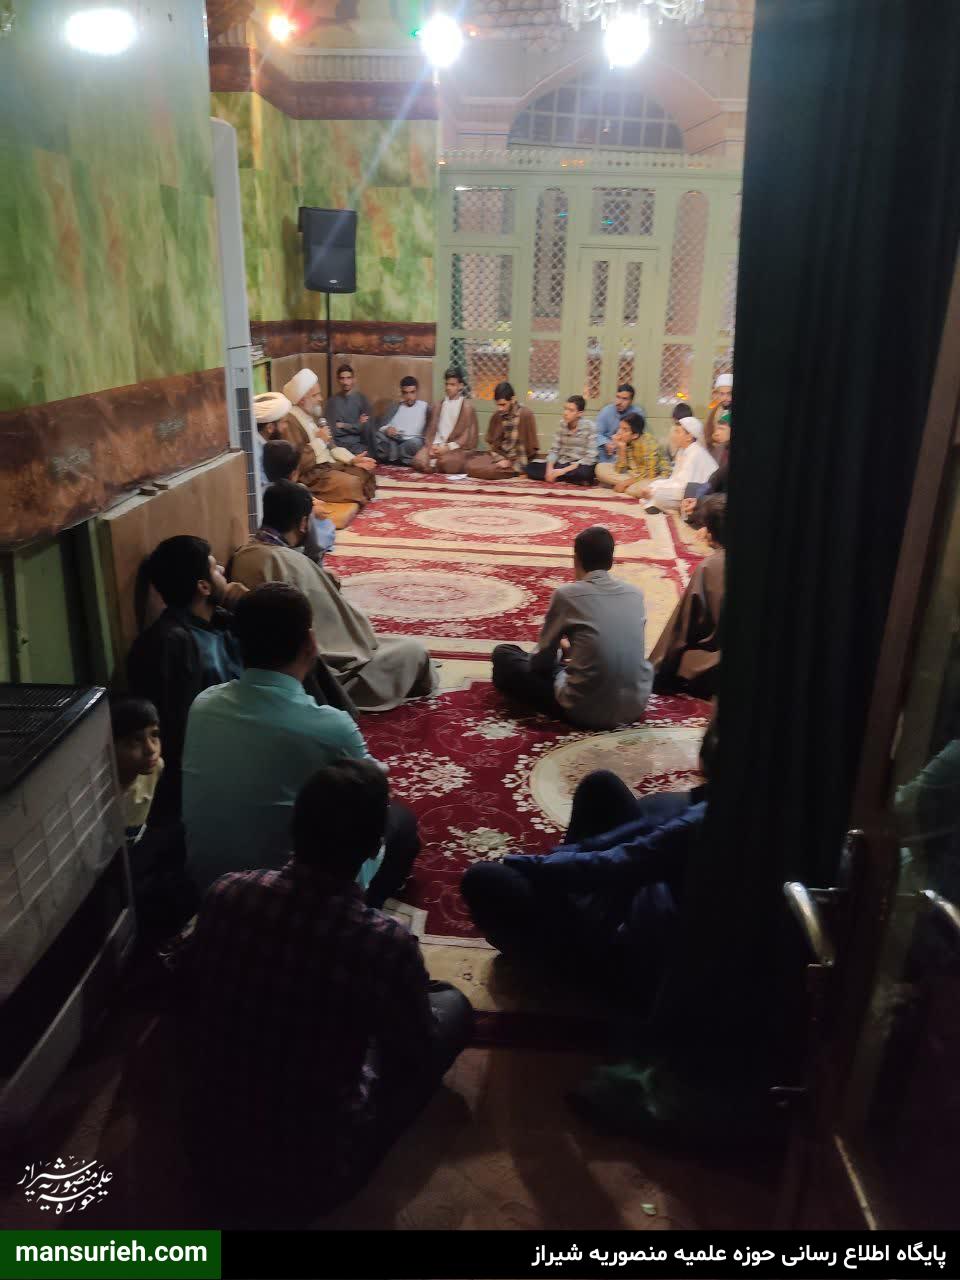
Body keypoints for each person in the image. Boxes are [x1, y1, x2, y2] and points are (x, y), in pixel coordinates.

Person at [180, 757, 473, 1221]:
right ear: (374, 847)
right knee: (453, 1007)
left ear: (294, 826)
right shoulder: (384, 942)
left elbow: (188, 981)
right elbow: (414, 1050)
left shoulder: (227, 893)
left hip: (205, 1150)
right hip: (314, 1177)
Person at [181, 583, 419, 904]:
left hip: (212, 891)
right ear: (310, 642)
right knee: (401, 823)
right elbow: (376, 793)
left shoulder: (203, 705)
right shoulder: (331, 727)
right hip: (297, 902)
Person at [461, 726, 714, 994]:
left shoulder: (705, 822)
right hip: (646, 897)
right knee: (601, 785)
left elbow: (616, 864)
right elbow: (645, 835)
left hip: (639, 951)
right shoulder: (732, 803)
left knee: (484, 879)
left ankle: (567, 958)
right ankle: (564, 910)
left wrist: (529, 864)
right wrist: (568, 857)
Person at [230, 480, 438, 711]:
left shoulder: (243, 555)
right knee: (413, 651)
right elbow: (349, 642)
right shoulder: (292, 563)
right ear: (303, 523)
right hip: (313, 675)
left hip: (259, 664)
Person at [127, 537, 247, 823]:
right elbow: (180, 732)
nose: (224, 573)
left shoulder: (217, 622)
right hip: (220, 768)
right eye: (216, 569)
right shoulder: (171, 644)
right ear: (203, 587)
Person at [492, 526, 653, 728]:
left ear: (576, 559)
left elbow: (541, 663)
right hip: (634, 705)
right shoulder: (635, 594)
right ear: (611, 561)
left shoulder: (567, 595)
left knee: (504, 655)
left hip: (584, 710)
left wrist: (558, 653)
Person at [110, 694, 197, 943]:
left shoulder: (155, 768)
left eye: (154, 735)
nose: (150, 749)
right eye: (134, 741)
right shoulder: (103, 791)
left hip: (137, 844)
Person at [650, 494, 726, 699]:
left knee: (684, 662)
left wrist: (654, 672)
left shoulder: (710, 567)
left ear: (710, 533)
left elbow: (681, 630)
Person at [278, 370, 376, 505]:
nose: (320, 399)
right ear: (302, 400)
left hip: (327, 466)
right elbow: (297, 462)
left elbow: (331, 446)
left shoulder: (309, 416)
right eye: (315, 395)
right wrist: (320, 441)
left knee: (365, 472)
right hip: (312, 476)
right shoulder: (291, 421)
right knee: (353, 483)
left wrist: (352, 459)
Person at [262, 439, 336, 564]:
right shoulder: (299, 492)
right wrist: (311, 511)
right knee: (324, 526)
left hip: (267, 550)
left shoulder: (263, 492)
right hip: (294, 555)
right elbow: (314, 546)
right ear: (294, 473)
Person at [632, 416, 717, 511]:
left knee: (658, 495)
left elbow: (684, 486)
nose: (674, 435)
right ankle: (654, 501)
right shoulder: (682, 451)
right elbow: (674, 479)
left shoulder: (695, 453)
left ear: (689, 437)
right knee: (651, 488)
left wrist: (655, 490)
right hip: (682, 489)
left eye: (678, 432)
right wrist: (653, 486)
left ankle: (655, 502)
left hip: (699, 494)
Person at [465, 381, 539, 480]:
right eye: (498, 405)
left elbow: (532, 448)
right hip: (499, 456)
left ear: (512, 399)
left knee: (490, 471)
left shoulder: (526, 414)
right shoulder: (497, 415)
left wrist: (515, 463)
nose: (500, 408)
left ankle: (514, 472)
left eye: (503, 404)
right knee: (470, 466)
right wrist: (500, 459)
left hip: (517, 460)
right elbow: (492, 443)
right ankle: (500, 468)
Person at [413, 366, 479, 475]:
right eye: (447, 384)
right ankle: (435, 462)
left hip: (456, 449)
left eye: (452, 385)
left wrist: (447, 447)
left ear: (460, 386)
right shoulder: (438, 405)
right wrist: (433, 446)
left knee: (447, 463)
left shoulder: (467, 407)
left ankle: (435, 464)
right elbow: (432, 431)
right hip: (438, 445)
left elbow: (467, 437)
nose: (448, 388)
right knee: (418, 460)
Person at [526, 395, 597, 486]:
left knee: (586, 472)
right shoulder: (562, 424)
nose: (565, 413)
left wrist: (562, 471)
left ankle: (562, 476)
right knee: (531, 467)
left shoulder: (590, 427)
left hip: (578, 465)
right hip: (563, 463)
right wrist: (549, 470)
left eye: (571, 410)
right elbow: (554, 450)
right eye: (565, 409)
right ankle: (570, 479)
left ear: (580, 413)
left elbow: (590, 458)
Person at [595, 411, 670, 495]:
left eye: (625, 429)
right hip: (633, 474)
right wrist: (622, 448)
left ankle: (626, 486)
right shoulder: (625, 442)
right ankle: (627, 486)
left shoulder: (648, 443)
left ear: (635, 435)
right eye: (620, 428)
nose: (619, 432)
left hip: (654, 477)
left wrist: (626, 483)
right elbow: (619, 470)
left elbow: (650, 474)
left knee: (640, 489)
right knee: (600, 468)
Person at [326, 363, 378, 461]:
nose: (345, 382)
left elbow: (364, 427)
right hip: (339, 444)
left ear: (354, 379)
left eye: (348, 378)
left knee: (364, 456)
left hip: (357, 444)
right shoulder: (332, 402)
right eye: (342, 378)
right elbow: (333, 430)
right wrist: (356, 425)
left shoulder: (362, 400)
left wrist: (343, 425)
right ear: (338, 380)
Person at [375, 376, 429, 465]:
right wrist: (387, 429)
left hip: (411, 441)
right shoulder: (395, 406)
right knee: (376, 435)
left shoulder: (425, 407)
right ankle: (399, 457)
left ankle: (393, 456)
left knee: (416, 443)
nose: (409, 396)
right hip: (393, 440)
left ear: (417, 391)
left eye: (412, 392)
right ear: (401, 392)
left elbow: (431, 429)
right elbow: (381, 427)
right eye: (405, 393)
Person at [595, 384, 642, 460]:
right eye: (618, 397)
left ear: (631, 401)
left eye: (624, 399)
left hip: (628, 451)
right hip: (608, 452)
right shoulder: (606, 411)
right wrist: (606, 443)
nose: (619, 402)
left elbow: (638, 435)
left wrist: (621, 444)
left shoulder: (637, 413)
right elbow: (597, 433)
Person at [704, 373, 733, 464]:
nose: (725, 398)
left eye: (729, 394)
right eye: (722, 394)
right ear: (717, 395)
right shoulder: (715, 411)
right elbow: (707, 432)